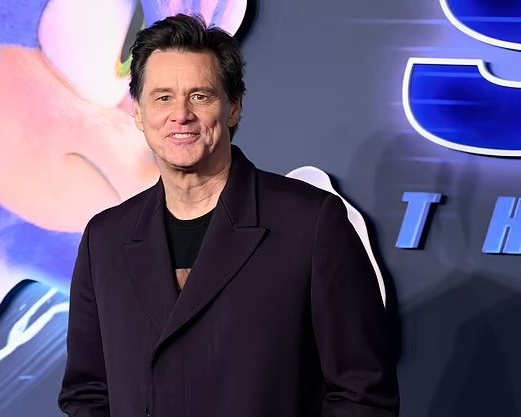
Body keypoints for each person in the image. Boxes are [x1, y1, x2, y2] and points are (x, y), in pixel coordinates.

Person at [58, 13, 399, 417]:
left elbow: (362, 394)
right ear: (138, 111)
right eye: (163, 97)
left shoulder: (310, 224)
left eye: (200, 96)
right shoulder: (106, 238)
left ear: (234, 107)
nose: (180, 114)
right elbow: (87, 390)